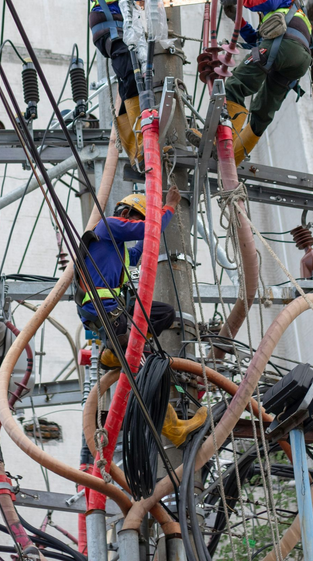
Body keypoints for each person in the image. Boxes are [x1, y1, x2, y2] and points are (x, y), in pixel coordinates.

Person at [75, 185, 207, 446]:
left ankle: (115, 352)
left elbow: (142, 248)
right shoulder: (108, 226)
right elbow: (148, 230)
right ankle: (174, 427)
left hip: (115, 309)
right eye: (137, 218)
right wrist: (168, 206)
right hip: (102, 307)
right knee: (145, 365)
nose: (138, 225)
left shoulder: (118, 250)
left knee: (163, 313)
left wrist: (155, 219)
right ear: (125, 212)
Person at [217, 0, 313, 164]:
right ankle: (235, 157)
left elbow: (266, 0)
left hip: (285, 46)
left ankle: (224, 143)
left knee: (235, 84)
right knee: (262, 111)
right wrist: (237, 19)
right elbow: (257, 42)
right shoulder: (278, 8)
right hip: (295, 58)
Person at [89, 0, 158, 165]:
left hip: (120, 22)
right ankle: (141, 142)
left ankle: (135, 139)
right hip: (108, 20)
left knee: (135, 75)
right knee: (131, 71)